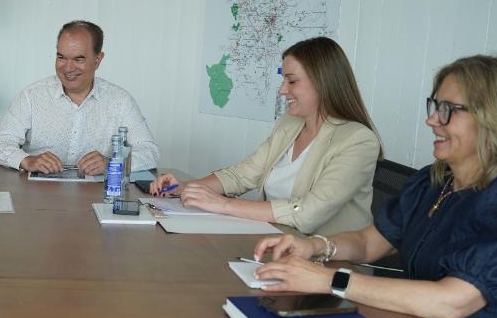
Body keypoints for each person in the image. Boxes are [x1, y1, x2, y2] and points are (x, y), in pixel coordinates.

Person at [253, 55, 497, 318]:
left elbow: (451, 302)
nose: (432, 120)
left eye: (447, 110)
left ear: (494, 119)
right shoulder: (433, 181)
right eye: (434, 106)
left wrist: (329, 280)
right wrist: (314, 245)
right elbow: (370, 243)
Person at [152, 37, 380, 236]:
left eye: (291, 81)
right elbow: (242, 175)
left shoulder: (358, 141)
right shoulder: (290, 124)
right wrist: (186, 188)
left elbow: (308, 214)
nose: (282, 90)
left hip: (331, 262)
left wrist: (223, 205)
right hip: (278, 242)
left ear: (323, 82)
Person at [0, 20, 159, 175]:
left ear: (98, 60)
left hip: (98, 198)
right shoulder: (31, 96)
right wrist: (27, 160)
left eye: (78, 59)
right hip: (38, 197)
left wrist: (112, 163)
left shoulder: (120, 101)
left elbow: (149, 151)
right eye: (61, 57)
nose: (68, 68)